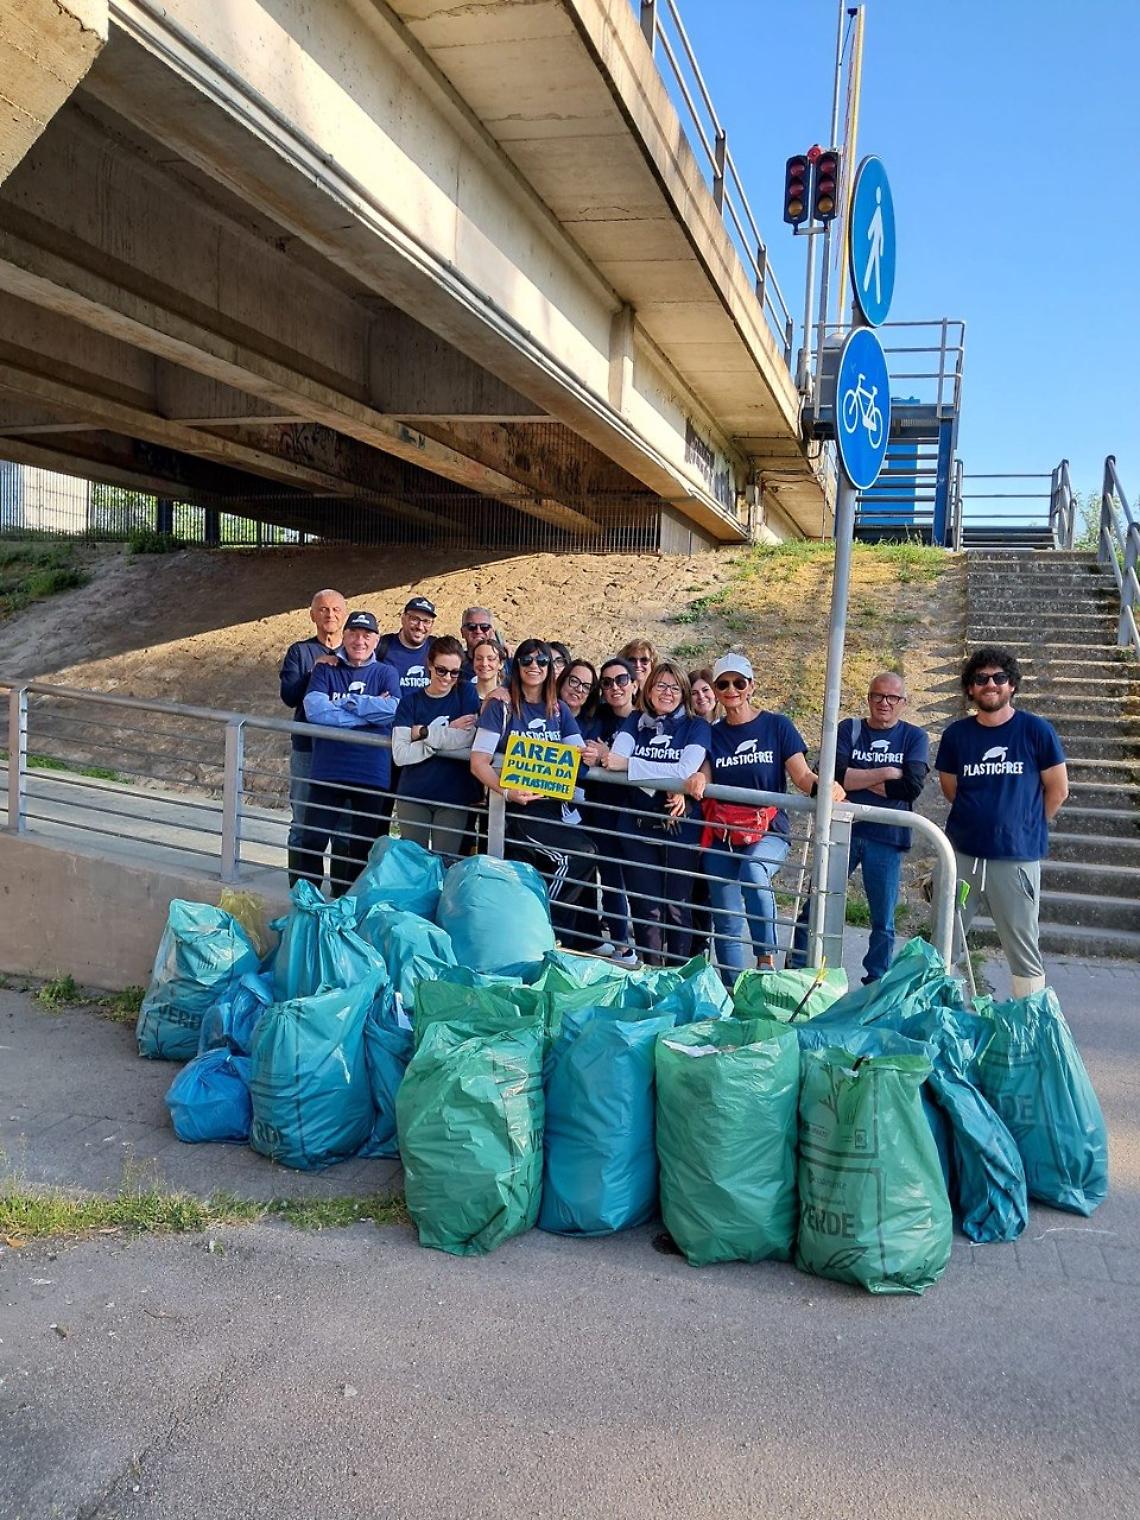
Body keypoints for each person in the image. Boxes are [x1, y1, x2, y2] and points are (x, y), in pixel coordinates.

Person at [687, 653, 843, 983]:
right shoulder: (711, 733)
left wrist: (826, 789)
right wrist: (697, 780)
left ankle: (765, 962)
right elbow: (705, 774)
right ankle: (732, 992)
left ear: (751, 687)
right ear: (716, 690)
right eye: (723, 684)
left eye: (738, 683)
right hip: (723, 833)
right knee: (726, 921)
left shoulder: (777, 725)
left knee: (754, 871)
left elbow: (801, 776)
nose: (731, 690)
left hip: (767, 828)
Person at [936, 646, 1068, 997]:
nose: (990, 684)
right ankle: (940, 1016)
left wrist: (1025, 826)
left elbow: (1058, 789)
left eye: (999, 678)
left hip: (1015, 858)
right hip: (962, 855)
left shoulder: (1036, 731)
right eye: (981, 679)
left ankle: (1029, 1023)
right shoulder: (956, 736)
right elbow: (951, 789)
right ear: (970, 688)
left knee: (1023, 950)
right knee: (944, 940)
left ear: (1012, 685)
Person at [789, 672, 929, 982]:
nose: (884, 703)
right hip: (843, 831)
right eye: (878, 696)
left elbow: (910, 787)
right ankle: (798, 970)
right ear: (868, 698)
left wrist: (858, 777)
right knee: (816, 905)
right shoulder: (849, 729)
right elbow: (832, 775)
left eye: (892, 698)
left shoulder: (914, 737)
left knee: (883, 919)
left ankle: (874, 983)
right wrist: (887, 772)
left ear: (903, 703)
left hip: (887, 836)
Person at [470, 638, 597, 944]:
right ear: (516, 666)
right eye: (526, 661)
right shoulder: (500, 707)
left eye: (542, 661)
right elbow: (478, 762)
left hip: (553, 808)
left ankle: (543, 929)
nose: (534, 667)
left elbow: (576, 754)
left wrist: (593, 754)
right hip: (517, 810)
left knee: (562, 864)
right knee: (579, 855)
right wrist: (508, 791)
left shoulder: (559, 709)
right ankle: (547, 928)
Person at [604, 660, 710, 965]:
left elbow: (684, 769)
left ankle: (676, 975)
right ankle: (650, 972)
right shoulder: (635, 720)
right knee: (645, 906)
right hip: (636, 827)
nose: (667, 692)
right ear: (649, 690)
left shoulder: (696, 725)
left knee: (677, 907)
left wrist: (632, 767)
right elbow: (614, 759)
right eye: (661, 685)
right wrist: (662, 777)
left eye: (675, 687)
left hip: (679, 827)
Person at [298, 611, 400, 894]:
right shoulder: (326, 669)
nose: (359, 641)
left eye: (367, 636)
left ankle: (347, 901)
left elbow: (393, 711)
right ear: (343, 636)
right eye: (354, 634)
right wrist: (367, 710)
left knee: (361, 846)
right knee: (313, 840)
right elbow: (315, 711)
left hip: (372, 772)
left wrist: (346, 703)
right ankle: (307, 901)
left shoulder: (386, 672)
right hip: (328, 769)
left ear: (376, 640)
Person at [391, 634, 481, 863]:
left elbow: (467, 738)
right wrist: (446, 732)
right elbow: (400, 755)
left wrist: (425, 733)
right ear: (429, 665)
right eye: (441, 670)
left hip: (453, 796)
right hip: (414, 792)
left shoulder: (465, 694)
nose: (448, 678)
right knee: (414, 863)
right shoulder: (410, 701)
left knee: (446, 863)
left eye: (454, 672)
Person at [278, 588, 346, 886]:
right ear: (312, 615)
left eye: (335, 609)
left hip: (347, 752)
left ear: (344, 614)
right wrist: (314, 671)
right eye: (323, 609)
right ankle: (303, 890)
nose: (329, 615)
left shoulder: (357, 650)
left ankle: (343, 891)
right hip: (308, 749)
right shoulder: (300, 652)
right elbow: (289, 696)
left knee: (344, 824)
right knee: (304, 819)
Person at [580, 656, 641, 965]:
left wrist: (610, 755)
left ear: (634, 683)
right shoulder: (598, 717)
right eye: (606, 682)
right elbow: (587, 748)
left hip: (636, 812)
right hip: (600, 808)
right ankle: (620, 942)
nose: (614, 687)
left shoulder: (645, 719)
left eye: (620, 680)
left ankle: (648, 946)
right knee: (610, 877)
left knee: (639, 879)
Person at [377, 595, 437, 812]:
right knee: (379, 808)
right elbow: (356, 658)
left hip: (422, 740)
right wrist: (333, 657)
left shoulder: (436, 648)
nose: (420, 626)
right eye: (414, 619)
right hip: (387, 740)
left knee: (416, 809)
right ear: (403, 618)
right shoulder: (383, 646)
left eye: (426, 621)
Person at [470, 637, 508, 702]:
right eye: (479, 658)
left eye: (491, 659)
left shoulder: (507, 698)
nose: (484, 664)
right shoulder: (463, 695)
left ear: (501, 664)